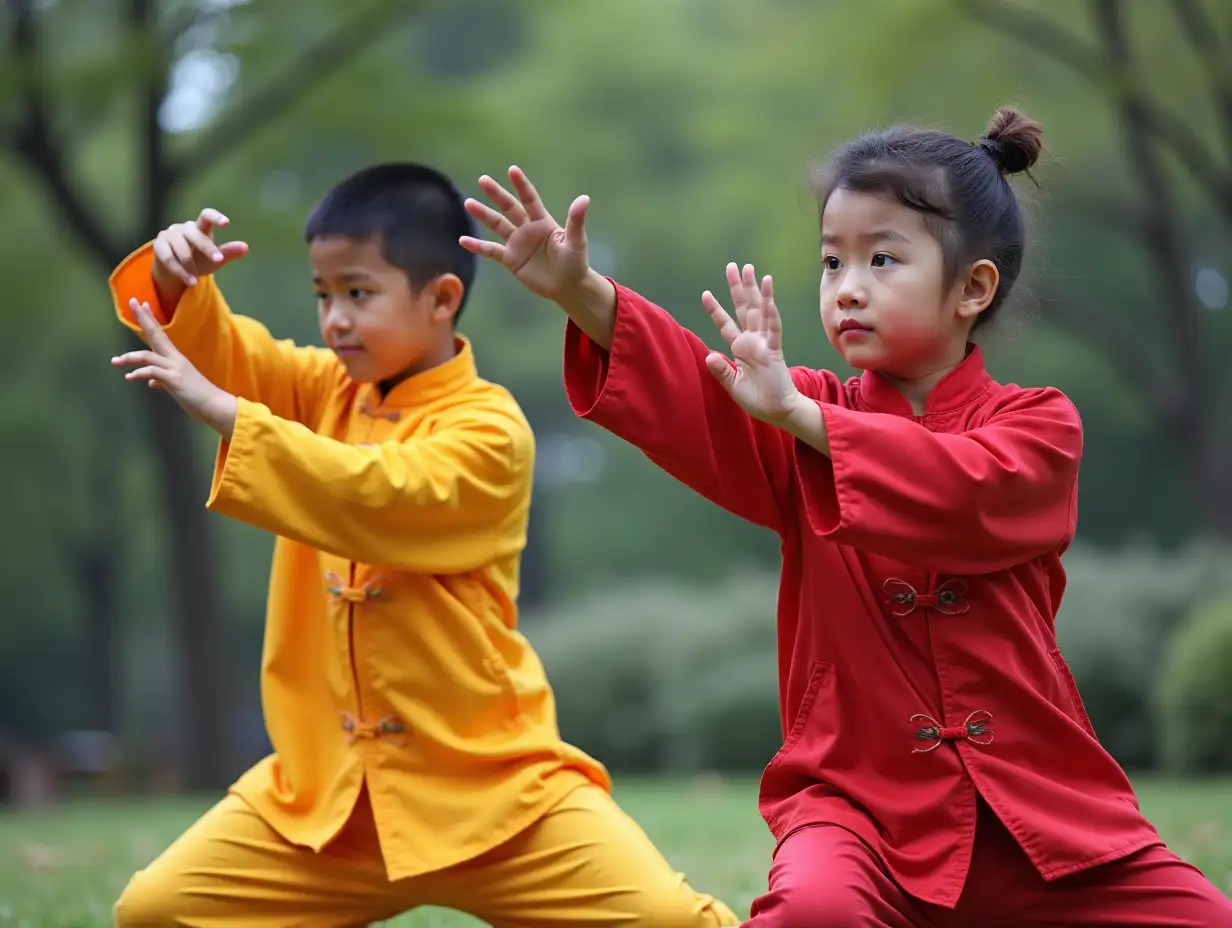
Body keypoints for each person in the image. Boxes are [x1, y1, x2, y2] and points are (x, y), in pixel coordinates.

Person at [460, 111, 1232, 926]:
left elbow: (965, 490)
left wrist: (800, 418)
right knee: (813, 912)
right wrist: (581, 292)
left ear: (972, 287)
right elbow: (694, 390)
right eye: (833, 262)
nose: (847, 287)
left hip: (1043, 816)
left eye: (882, 258)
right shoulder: (799, 413)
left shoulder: (1038, 423)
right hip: (857, 813)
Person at [107, 162, 739, 927]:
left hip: (494, 798)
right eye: (323, 295)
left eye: (358, 292)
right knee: (156, 912)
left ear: (441, 298)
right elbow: (228, 361)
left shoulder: (491, 430)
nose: (335, 319)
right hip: (325, 804)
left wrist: (232, 416)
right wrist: (178, 286)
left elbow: (379, 494)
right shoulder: (321, 392)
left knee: (670, 922)